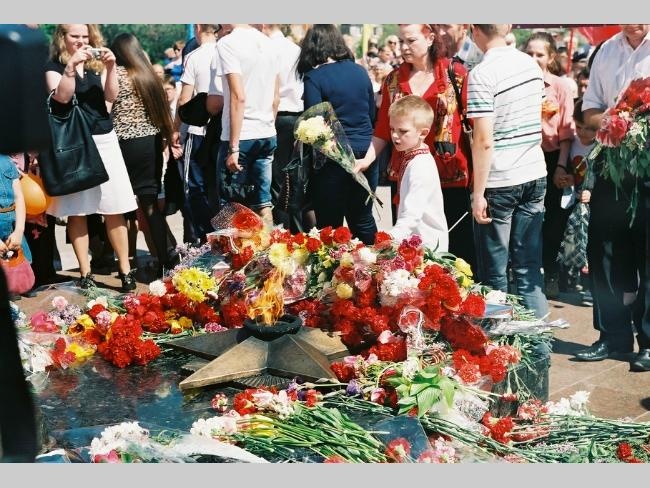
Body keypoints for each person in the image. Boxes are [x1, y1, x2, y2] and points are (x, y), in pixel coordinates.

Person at [356, 24, 474, 263]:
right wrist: (366, 160)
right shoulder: (393, 79)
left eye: (411, 41)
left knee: (455, 255)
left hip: (450, 176)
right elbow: (383, 129)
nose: (404, 47)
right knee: (410, 252)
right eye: (401, 41)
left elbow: (475, 124)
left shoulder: (455, 74)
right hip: (407, 172)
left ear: (430, 38)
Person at [573, 25, 650, 371]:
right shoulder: (606, 50)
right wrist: (614, 120)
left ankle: (648, 340)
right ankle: (612, 335)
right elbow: (589, 109)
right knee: (605, 251)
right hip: (611, 160)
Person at [44, 24, 137, 292]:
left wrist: (111, 67)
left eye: (85, 36)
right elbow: (62, 98)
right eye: (75, 36)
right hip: (75, 144)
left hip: (104, 138)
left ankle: (125, 270)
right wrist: (71, 66)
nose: (81, 41)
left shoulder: (97, 65)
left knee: (115, 207)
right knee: (78, 211)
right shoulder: (53, 66)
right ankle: (85, 273)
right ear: (62, 38)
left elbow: (111, 96)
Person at [467, 24, 549, 319]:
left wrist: (478, 193)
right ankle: (538, 341)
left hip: (501, 179)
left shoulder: (482, 74)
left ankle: (500, 343)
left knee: (495, 274)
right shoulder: (530, 64)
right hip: (534, 171)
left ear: (475, 30)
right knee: (528, 268)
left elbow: (483, 140)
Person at [297, 24, 377, 245]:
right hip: (366, 151)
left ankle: (334, 266)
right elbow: (371, 114)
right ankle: (377, 262)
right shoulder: (360, 72)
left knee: (330, 225)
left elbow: (314, 122)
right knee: (362, 218)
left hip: (333, 155)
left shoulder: (314, 78)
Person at [110, 33, 176, 278]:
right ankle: (165, 261)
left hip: (124, 144)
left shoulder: (117, 74)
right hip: (151, 144)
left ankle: (125, 266)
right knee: (150, 206)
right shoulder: (149, 75)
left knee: (119, 208)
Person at [524, 32, 576, 298]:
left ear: (551, 57)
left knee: (554, 221)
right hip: (524, 157)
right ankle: (524, 273)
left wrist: (561, 166)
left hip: (553, 158)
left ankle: (552, 273)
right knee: (526, 218)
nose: (534, 58)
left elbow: (567, 130)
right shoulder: (518, 83)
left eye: (540, 54)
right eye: (529, 53)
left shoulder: (560, 86)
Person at [215, 24, 280, 226]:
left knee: (231, 208)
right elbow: (275, 97)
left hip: (241, 135)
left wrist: (233, 147)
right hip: (266, 131)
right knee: (263, 202)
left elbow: (238, 96)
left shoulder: (228, 43)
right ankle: (268, 245)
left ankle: (236, 248)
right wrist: (268, 124)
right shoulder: (269, 43)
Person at [172, 24, 220, 241]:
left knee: (194, 187)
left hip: (198, 128)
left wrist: (175, 128)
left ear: (198, 27)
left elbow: (184, 98)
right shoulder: (225, 51)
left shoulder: (194, 56)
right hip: (221, 129)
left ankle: (205, 238)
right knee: (216, 186)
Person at [388, 95, 448, 250]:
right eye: (392, 129)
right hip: (416, 242)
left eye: (403, 131)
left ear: (423, 133)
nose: (394, 135)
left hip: (427, 246)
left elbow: (412, 213)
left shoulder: (420, 165)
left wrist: (391, 238)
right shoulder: (412, 158)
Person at [261, 24, 305, 232]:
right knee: (293, 177)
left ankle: (283, 231)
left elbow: (271, 91)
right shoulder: (295, 49)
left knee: (277, 180)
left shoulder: (267, 48)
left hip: (277, 115)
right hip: (296, 115)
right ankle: (296, 229)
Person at [0, 154, 32, 299]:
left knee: (18, 260)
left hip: (11, 222)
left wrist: (19, 230)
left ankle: (16, 285)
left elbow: (19, 197)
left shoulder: (6, 161)